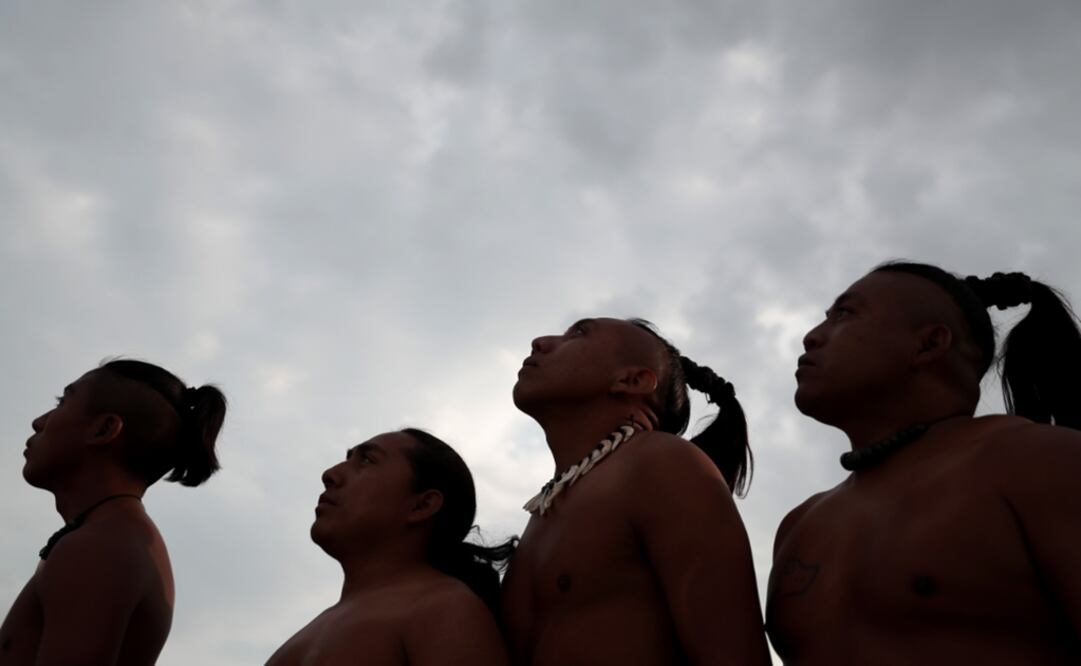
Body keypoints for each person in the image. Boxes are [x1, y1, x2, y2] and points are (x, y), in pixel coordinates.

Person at [767, 261, 1081, 664]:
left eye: (844, 314)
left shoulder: (1041, 461)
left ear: (929, 344)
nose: (812, 337)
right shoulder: (799, 524)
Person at [501, 317, 771, 666]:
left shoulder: (663, 464)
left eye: (579, 333)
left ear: (633, 380)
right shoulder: (547, 507)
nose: (541, 341)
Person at [0, 359, 226, 666]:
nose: (39, 421)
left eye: (61, 403)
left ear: (104, 429)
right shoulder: (109, 537)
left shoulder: (99, 547)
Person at [266, 428, 512, 666]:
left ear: (422, 506)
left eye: (366, 461)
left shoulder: (445, 611)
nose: (330, 474)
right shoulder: (309, 632)